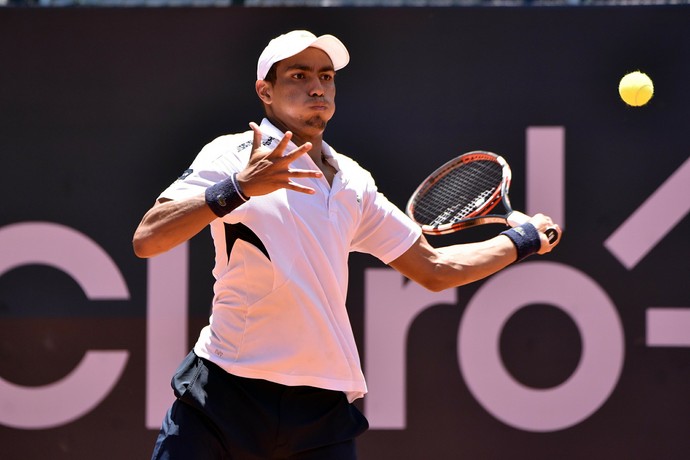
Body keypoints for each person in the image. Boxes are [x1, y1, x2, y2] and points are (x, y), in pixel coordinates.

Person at [133, 30, 561, 460]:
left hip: (321, 413)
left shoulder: (354, 180)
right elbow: (148, 237)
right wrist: (239, 188)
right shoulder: (234, 154)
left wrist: (521, 240)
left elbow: (433, 269)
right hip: (223, 396)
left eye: (326, 76)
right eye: (299, 76)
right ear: (265, 91)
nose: (317, 87)